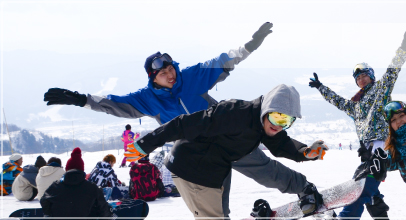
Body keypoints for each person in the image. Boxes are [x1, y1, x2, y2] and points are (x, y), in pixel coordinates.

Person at [42, 22, 304, 217]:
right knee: (214, 198)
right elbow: (115, 104)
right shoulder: (147, 99)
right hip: (198, 156)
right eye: (163, 72)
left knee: (266, 170)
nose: (170, 74)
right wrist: (81, 99)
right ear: (152, 78)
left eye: (170, 68)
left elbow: (222, 61)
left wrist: (249, 46)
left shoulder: (190, 77)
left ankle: (304, 190)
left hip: (226, 138)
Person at [124, 84, 328, 219]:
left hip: (220, 162)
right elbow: (183, 124)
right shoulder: (233, 113)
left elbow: (280, 143)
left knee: (261, 168)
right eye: (276, 117)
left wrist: (304, 151)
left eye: (287, 121)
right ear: (266, 109)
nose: (279, 125)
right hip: (193, 169)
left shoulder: (261, 122)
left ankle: (303, 188)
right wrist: (146, 143)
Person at [308, 30, 406, 219]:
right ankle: (380, 213)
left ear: (371, 76)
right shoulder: (356, 106)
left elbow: (393, 71)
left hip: (382, 146)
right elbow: (337, 101)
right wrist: (321, 87)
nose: (361, 79)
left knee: (360, 189)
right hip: (367, 151)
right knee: (369, 190)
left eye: (364, 75)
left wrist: (403, 49)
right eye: (358, 78)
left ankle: (347, 216)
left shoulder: (380, 90)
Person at [41, 148, 114, 218]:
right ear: (82, 170)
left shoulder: (55, 187)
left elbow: (44, 200)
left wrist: (51, 214)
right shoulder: (92, 188)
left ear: (67, 169)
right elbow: (105, 211)